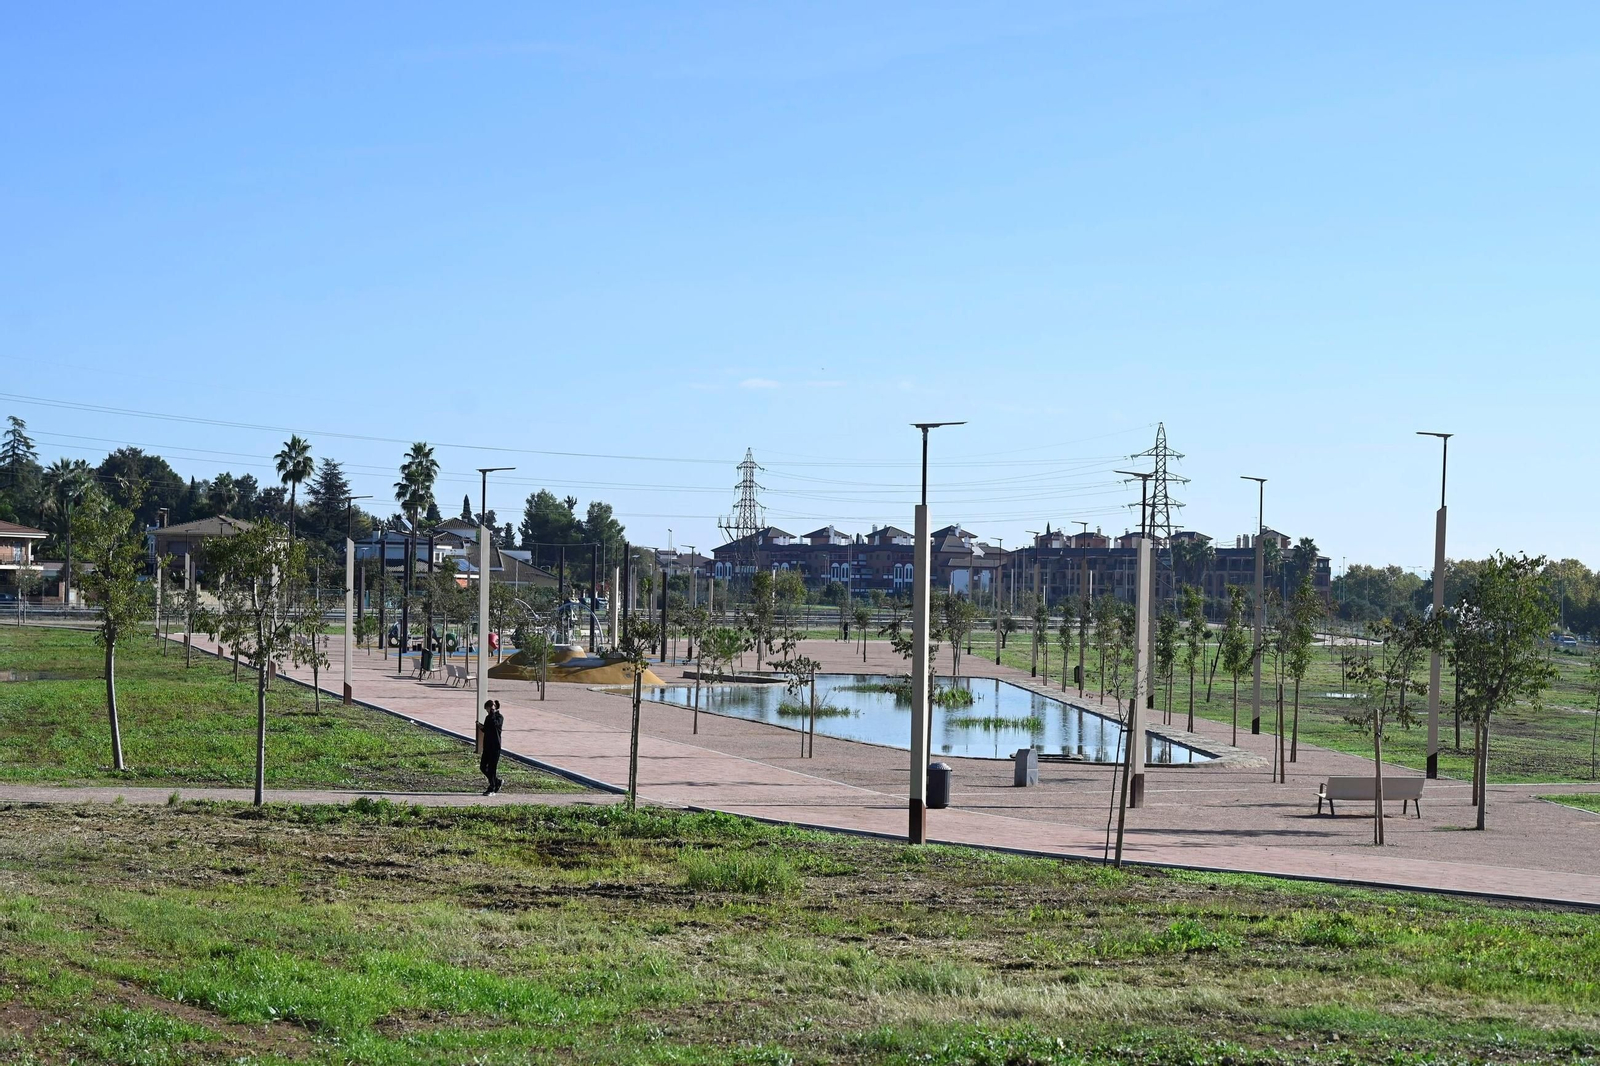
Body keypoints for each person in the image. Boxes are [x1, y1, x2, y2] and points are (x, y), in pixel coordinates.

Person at [480, 699, 504, 796]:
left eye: (488, 709)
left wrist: (493, 713)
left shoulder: (499, 717)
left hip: (495, 746)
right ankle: (497, 782)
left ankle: (492, 788)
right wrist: (480, 726)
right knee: (483, 767)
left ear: (492, 708)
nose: (487, 711)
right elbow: (486, 729)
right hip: (487, 746)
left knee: (492, 768)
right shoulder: (488, 717)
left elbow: (495, 725)